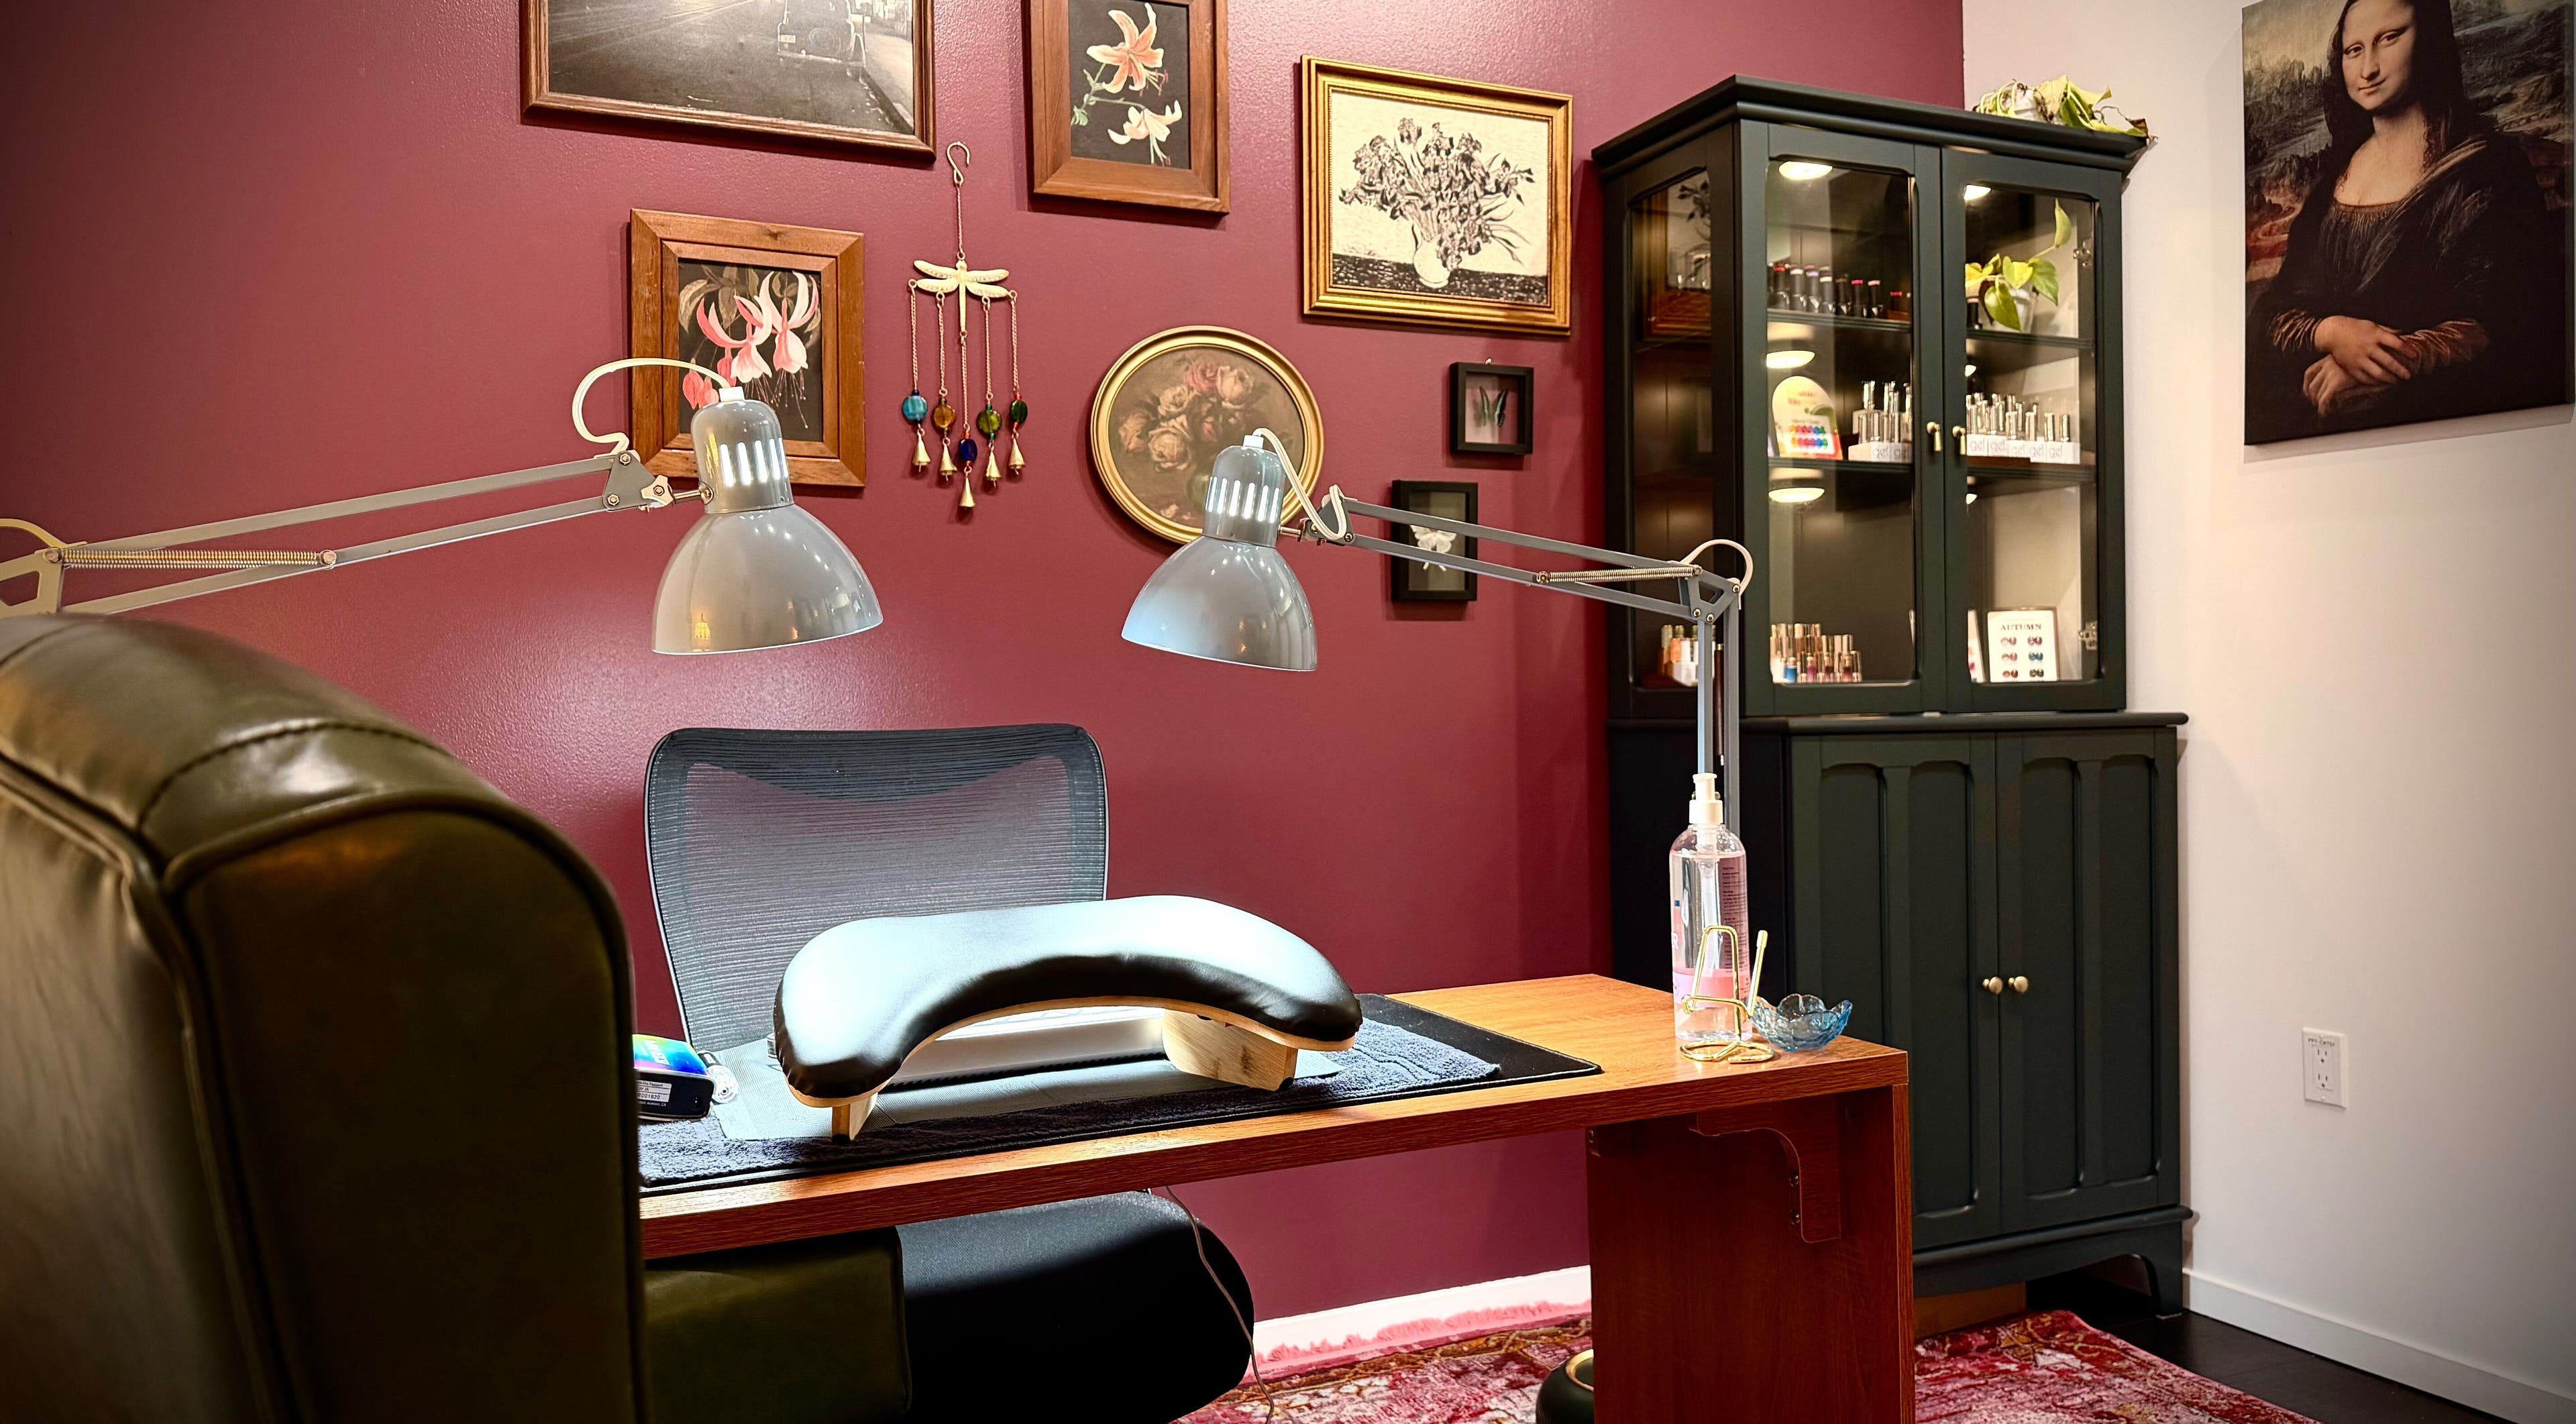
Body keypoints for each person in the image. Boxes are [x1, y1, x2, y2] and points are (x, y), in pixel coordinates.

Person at [2249, 0, 2568, 439]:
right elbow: (2272, 315)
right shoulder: (2332, 183)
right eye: (2354, 50)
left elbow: (2512, 318)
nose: (2369, 68)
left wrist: (2379, 361)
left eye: (2389, 38)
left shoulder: (2488, 169)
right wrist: (2333, 333)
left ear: (2429, 40)